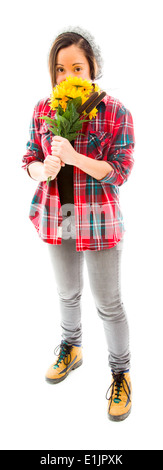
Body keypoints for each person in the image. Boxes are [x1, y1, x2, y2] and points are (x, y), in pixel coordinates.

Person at [22, 27, 135, 421]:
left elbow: (119, 172)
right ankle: (72, 348)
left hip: (99, 221)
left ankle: (121, 374)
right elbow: (29, 160)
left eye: (77, 67)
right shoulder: (43, 108)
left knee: (109, 304)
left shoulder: (116, 111)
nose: (68, 76)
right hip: (57, 216)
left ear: (94, 68)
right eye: (60, 69)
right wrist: (42, 169)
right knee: (67, 293)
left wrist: (73, 157)